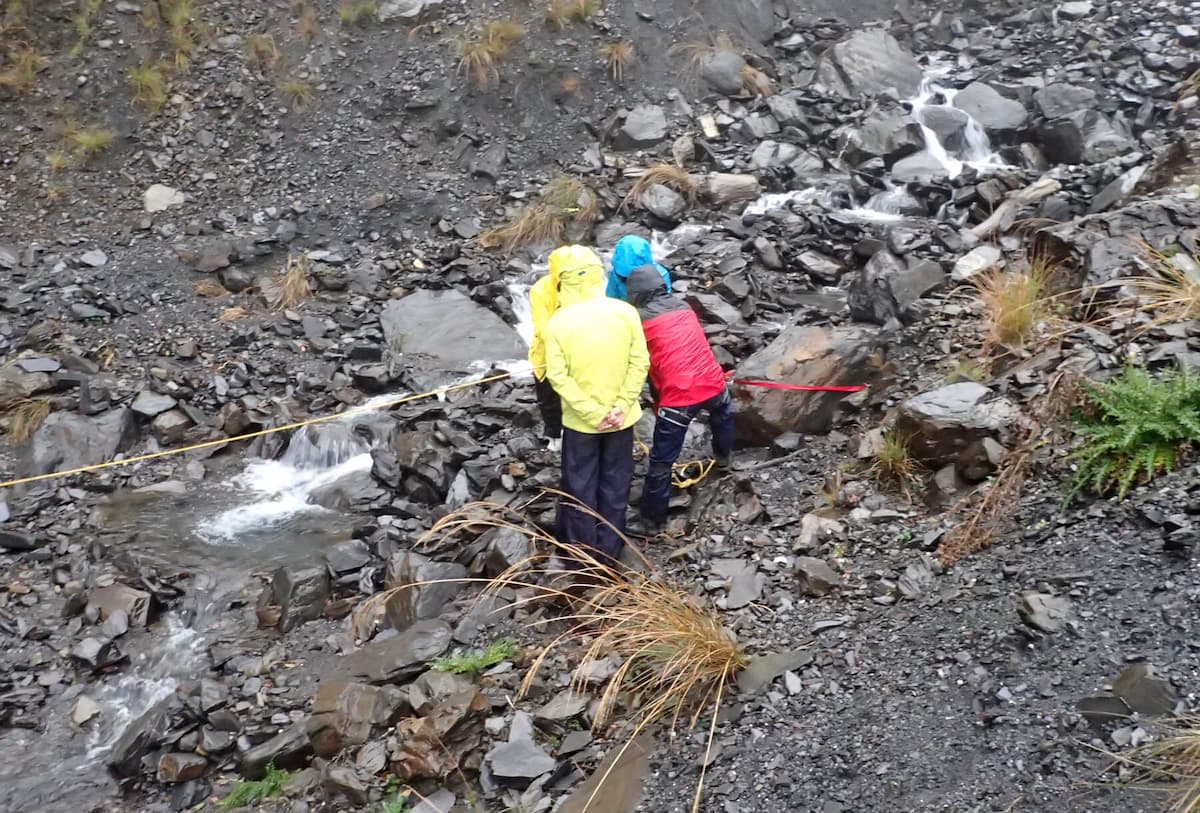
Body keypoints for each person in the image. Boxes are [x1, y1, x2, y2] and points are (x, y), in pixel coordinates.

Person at [544, 245, 650, 565]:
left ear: (563, 281)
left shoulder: (558, 322)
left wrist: (592, 412)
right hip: (622, 419)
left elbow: (557, 377)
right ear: (597, 274)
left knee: (580, 487)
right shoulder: (625, 312)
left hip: (581, 424)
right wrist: (620, 406)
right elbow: (640, 363)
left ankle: (581, 558)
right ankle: (610, 554)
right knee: (616, 485)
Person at [625, 264, 734, 534]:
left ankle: (651, 522)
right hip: (713, 380)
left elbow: (650, 368)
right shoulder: (684, 307)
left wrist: (658, 401)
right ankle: (724, 458)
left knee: (662, 461)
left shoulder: (638, 321)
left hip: (681, 394)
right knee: (722, 417)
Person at [527, 248, 569, 446]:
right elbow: (543, 327)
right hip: (546, 353)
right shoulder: (541, 290)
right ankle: (554, 435)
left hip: (578, 352)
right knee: (548, 397)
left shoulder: (585, 288)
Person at [607, 234, 671, 303]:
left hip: (631, 308)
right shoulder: (660, 273)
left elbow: (611, 297)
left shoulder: (617, 273)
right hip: (649, 309)